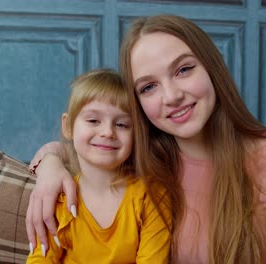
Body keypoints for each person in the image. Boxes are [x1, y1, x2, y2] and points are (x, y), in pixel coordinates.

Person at [26, 15, 266, 263]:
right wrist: (51, 164)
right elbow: (86, 145)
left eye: (184, 69)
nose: (171, 96)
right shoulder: (147, 162)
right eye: (148, 87)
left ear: (211, 67)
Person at [26, 69, 171, 263]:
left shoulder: (151, 195)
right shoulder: (59, 198)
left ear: (136, 135)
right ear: (68, 126)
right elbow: (40, 259)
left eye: (122, 124)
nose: (107, 132)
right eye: (93, 120)